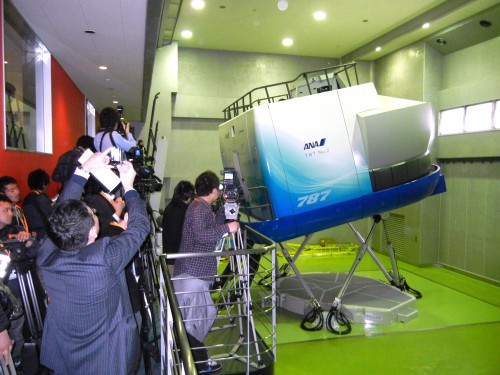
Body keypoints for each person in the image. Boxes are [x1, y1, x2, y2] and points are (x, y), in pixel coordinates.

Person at [36, 148, 149, 375]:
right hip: (107, 358)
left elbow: (59, 215)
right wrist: (129, 187)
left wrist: (84, 170)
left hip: (64, 353)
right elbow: (140, 227)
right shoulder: (104, 258)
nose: (95, 214)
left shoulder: (46, 255)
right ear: (91, 234)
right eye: (93, 215)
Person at [173, 171, 239, 374]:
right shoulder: (198, 209)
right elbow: (202, 236)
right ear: (213, 190)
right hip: (192, 275)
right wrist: (228, 227)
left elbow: (208, 229)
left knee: (202, 316)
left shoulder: (200, 207)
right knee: (196, 322)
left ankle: (195, 360)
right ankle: (198, 363)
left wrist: (225, 213)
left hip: (194, 274)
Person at [0, 193, 31, 373]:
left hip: (17, 286)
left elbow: (33, 250)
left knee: (17, 330)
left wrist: (27, 242)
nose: (10, 213)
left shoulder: (16, 229)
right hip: (3, 289)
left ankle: (16, 361)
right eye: (6, 210)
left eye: (11, 209)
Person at [162, 180, 195, 275]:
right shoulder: (182, 212)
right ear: (187, 196)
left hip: (171, 257)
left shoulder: (171, 207)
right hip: (178, 259)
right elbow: (180, 237)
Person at [23, 169, 53, 239]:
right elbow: (51, 215)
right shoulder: (40, 198)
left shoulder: (28, 198)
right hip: (44, 235)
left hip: (33, 234)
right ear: (43, 185)